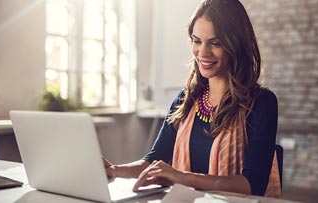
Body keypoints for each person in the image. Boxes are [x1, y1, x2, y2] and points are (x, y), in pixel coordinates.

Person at [104, 0, 281, 198]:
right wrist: (114, 169)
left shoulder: (262, 102)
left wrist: (181, 177)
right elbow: (154, 161)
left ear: (236, 44)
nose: (202, 53)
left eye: (215, 43)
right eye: (197, 41)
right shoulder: (185, 99)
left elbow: (253, 184)